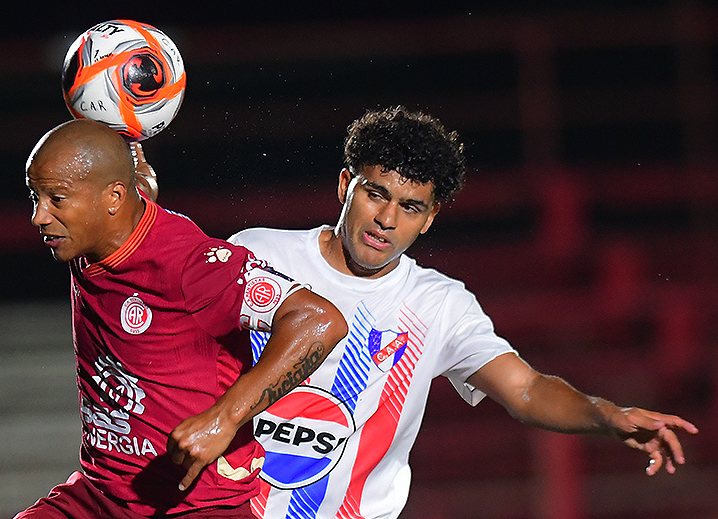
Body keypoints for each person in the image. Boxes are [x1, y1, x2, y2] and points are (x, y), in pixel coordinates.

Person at [221, 106, 699, 518]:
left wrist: (605, 415)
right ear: (346, 185)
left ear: (430, 218)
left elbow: (526, 389)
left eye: (411, 207)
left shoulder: (438, 305)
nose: (387, 219)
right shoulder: (258, 255)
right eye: (376, 194)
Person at [16, 118, 348, 519]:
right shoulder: (93, 234)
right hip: (99, 497)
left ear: (114, 197)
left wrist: (224, 419)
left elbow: (318, 321)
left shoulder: (192, 264)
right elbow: (132, 189)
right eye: (35, 196)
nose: (39, 216)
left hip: (195, 506)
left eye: (56, 198)